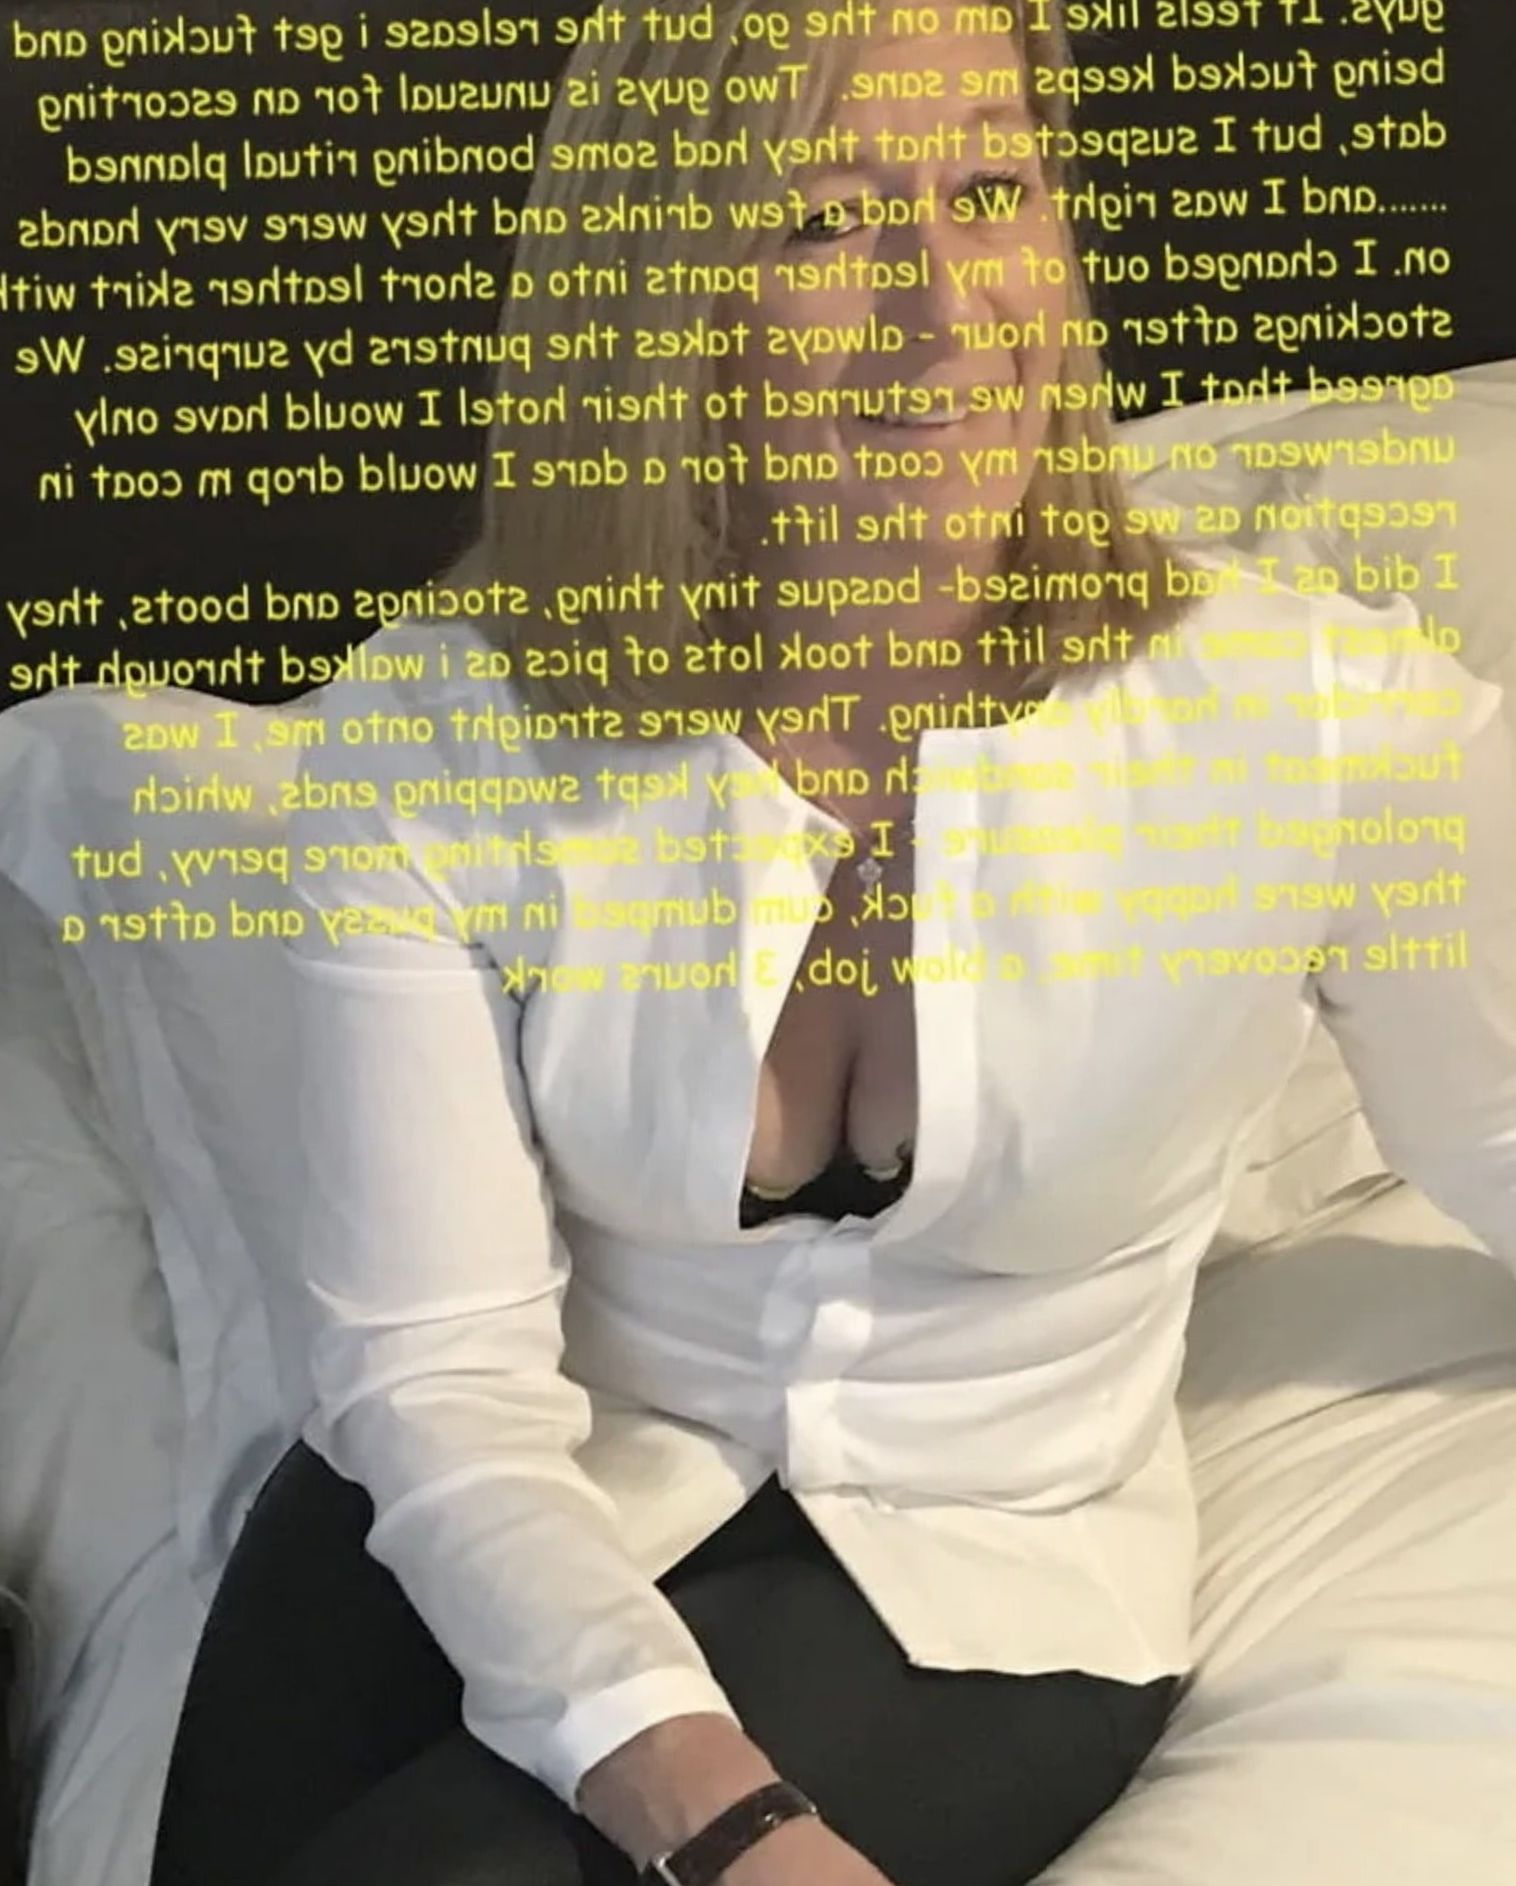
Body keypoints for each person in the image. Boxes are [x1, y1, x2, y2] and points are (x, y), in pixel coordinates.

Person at [149, 5, 1516, 1886]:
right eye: (825, 219)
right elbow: (436, 1372)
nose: (945, 308)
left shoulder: (1330, 726)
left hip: (984, 1567)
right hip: (473, 1504)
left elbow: (1500, 1134)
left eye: (989, 188)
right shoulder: (441, 734)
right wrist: (715, 1809)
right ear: (660, 292)